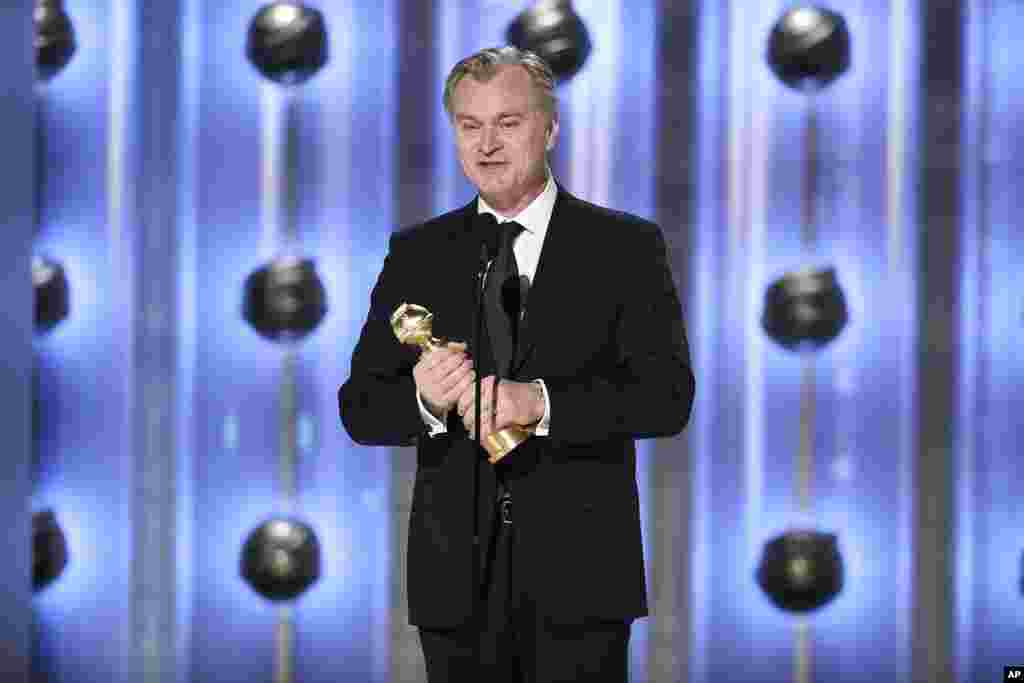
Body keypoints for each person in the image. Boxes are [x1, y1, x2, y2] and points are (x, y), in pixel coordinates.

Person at [339, 46, 695, 682]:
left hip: (581, 579)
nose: (487, 145)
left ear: (550, 128)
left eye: (508, 123)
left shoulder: (624, 246)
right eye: (469, 125)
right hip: (454, 583)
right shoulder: (419, 251)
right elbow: (361, 408)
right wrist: (423, 400)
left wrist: (542, 402)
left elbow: (666, 397)